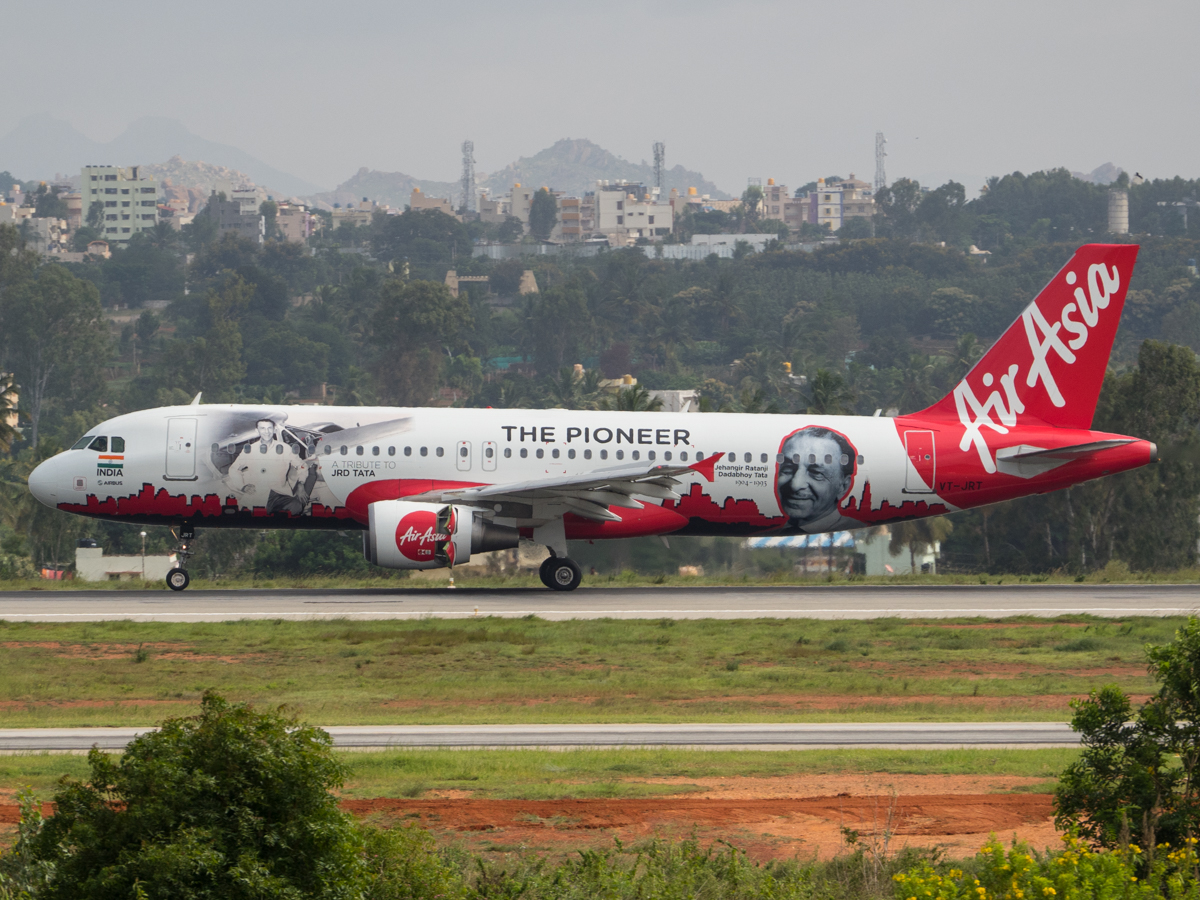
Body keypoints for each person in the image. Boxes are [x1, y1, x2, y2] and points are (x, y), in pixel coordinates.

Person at [776, 426, 856, 532]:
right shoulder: (774, 533)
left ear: (843, 486)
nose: (795, 485)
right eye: (787, 469)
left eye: (816, 473)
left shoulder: (848, 532)